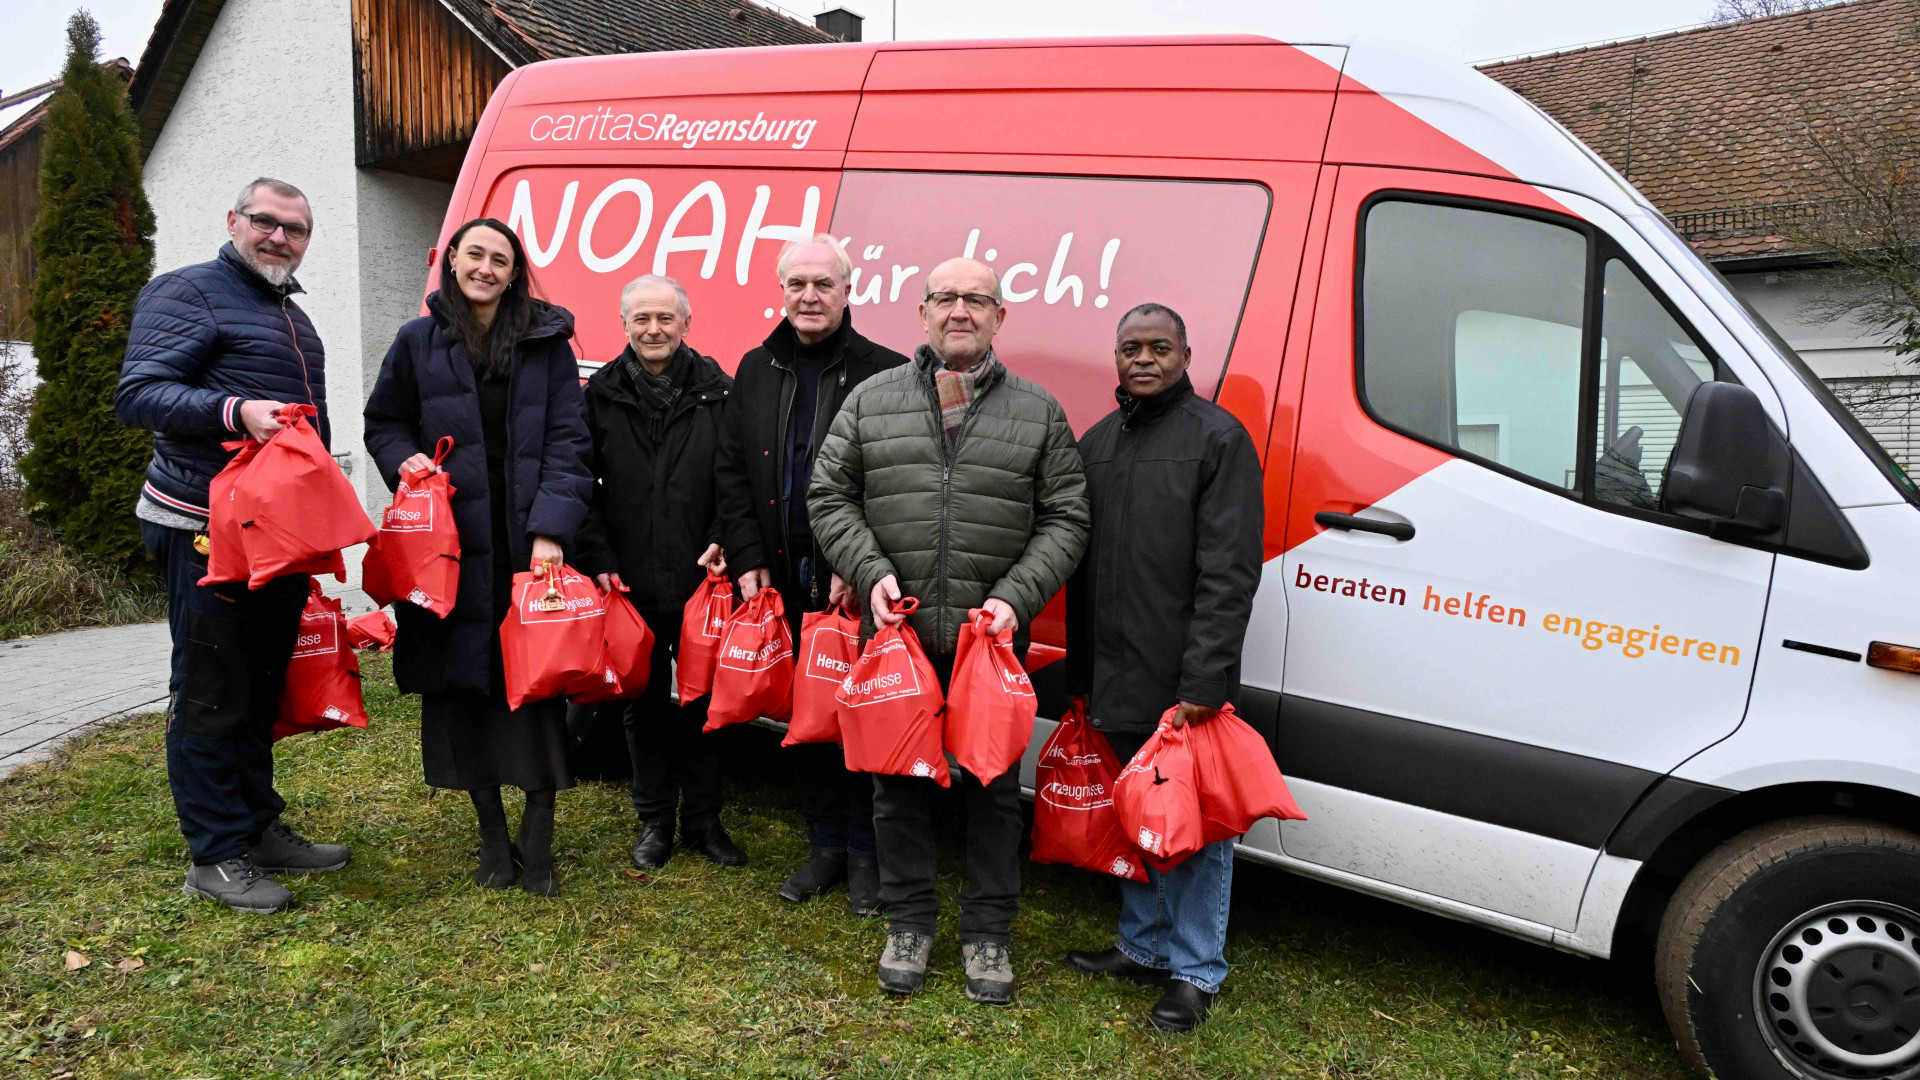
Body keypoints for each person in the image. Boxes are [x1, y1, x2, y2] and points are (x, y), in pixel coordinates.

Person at [810, 257, 1089, 1005]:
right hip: (896, 634)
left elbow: (1068, 516)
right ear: (923, 311)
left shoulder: (1038, 411)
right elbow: (829, 494)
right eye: (945, 298)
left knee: (994, 788)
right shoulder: (872, 401)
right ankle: (908, 922)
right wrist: (870, 574)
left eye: (976, 299)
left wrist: (1014, 599)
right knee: (895, 786)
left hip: (990, 639)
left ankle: (988, 935)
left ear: (1001, 316)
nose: (959, 310)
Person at [115, 177, 348, 914]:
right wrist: (234, 408)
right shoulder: (188, 292)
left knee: (258, 687)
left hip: (273, 538)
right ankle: (214, 854)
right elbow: (139, 392)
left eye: (296, 229)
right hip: (202, 529)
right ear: (234, 221)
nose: (280, 238)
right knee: (213, 690)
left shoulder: (292, 320)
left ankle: (257, 827)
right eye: (266, 222)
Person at [363, 217, 594, 897]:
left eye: (501, 259)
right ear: (453, 261)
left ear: (515, 272)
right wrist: (399, 458)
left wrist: (552, 527)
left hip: (526, 546)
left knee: (536, 689)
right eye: (476, 255)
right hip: (450, 552)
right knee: (464, 690)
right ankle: (493, 837)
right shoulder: (417, 341)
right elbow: (385, 421)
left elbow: (569, 442)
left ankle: (539, 839)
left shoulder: (547, 341)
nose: (486, 268)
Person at [1062, 303, 1264, 1032]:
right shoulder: (1098, 442)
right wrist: (1081, 674)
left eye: (1158, 347)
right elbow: (1081, 569)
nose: (1143, 359)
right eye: (1130, 348)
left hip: (1183, 687)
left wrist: (1204, 685)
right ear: (1115, 358)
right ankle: (1142, 947)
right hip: (1113, 676)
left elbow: (1230, 574)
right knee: (1136, 818)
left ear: (1185, 353)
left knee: (1197, 832)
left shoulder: (1218, 439)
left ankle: (1193, 971)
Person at [715, 235, 907, 913]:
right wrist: (747, 561)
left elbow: (897, 484)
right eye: (797, 283)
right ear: (781, 291)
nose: (810, 295)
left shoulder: (888, 372)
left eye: (824, 283)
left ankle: (865, 853)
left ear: (850, 290)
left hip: (853, 582)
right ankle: (824, 844)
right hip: (778, 576)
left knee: (858, 714)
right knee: (806, 714)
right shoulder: (757, 366)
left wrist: (862, 563)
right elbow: (731, 473)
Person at [574, 275, 747, 872]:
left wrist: (724, 537)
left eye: (665, 319)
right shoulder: (598, 395)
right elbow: (581, 485)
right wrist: (598, 559)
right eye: (642, 319)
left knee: (704, 702)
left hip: (703, 581)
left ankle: (704, 820)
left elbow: (735, 479)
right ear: (624, 326)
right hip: (628, 585)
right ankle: (654, 822)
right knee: (641, 703)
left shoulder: (719, 392)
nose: (654, 330)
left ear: (686, 325)